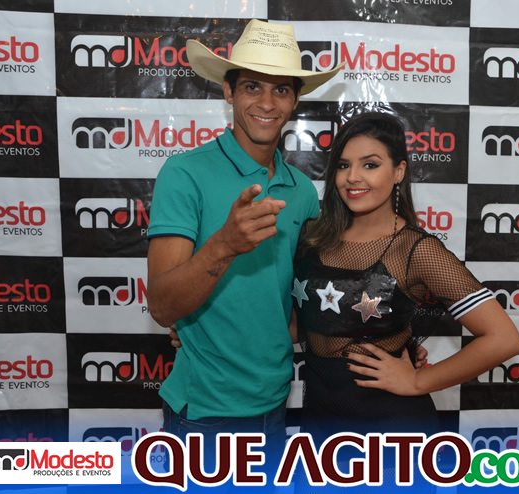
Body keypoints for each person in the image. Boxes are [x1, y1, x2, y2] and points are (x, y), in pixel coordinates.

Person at [145, 19, 344, 475]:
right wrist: (224, 245)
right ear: (228, 92)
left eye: (281, 90)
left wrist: (393, 339)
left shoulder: (302, 191)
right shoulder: (185, 173)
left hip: (275, 401)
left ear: (295, 100)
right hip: (204, 414)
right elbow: (161, 306)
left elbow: (305, 300)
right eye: (252, 86)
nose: (267, 103)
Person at [290, 111, 519, 486]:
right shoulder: (312, 237)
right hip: (319, 431)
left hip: (393, 435)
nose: (353, 177)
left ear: (399, 172)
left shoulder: (416, 250)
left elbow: (504, 339)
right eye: (344, 165)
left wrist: (416, 383)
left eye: (370, 164)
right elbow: (300, 325)